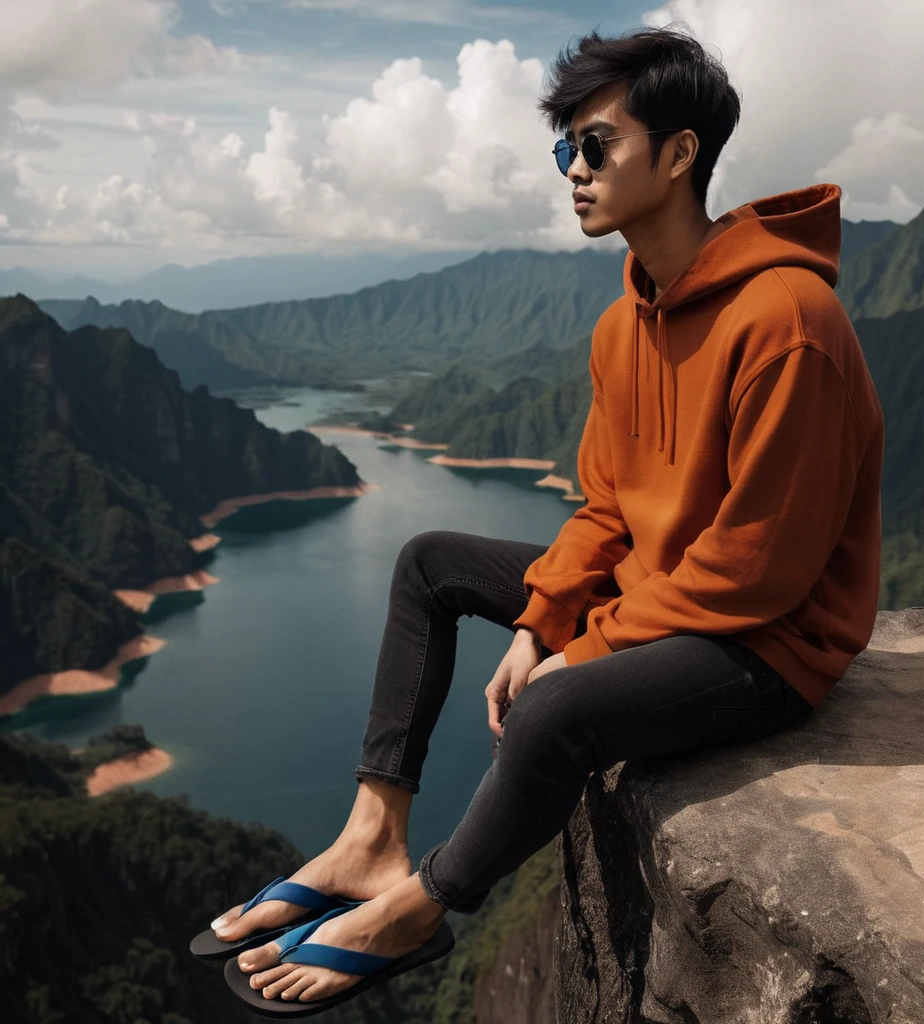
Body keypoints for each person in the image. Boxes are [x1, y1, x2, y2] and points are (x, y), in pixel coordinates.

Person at [207, 22, 884, 1012]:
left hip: (770, 646)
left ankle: (423, 904)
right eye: (563, 147)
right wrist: (538, 617)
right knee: (428, 561)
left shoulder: (788, 323)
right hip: (671, 598)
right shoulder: (624, 323)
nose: (571, 168)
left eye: (595, 144)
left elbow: (762, 572)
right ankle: (370, 835)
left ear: (679, 152)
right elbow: (607, 503)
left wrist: (585, 645)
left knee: (556, 710)